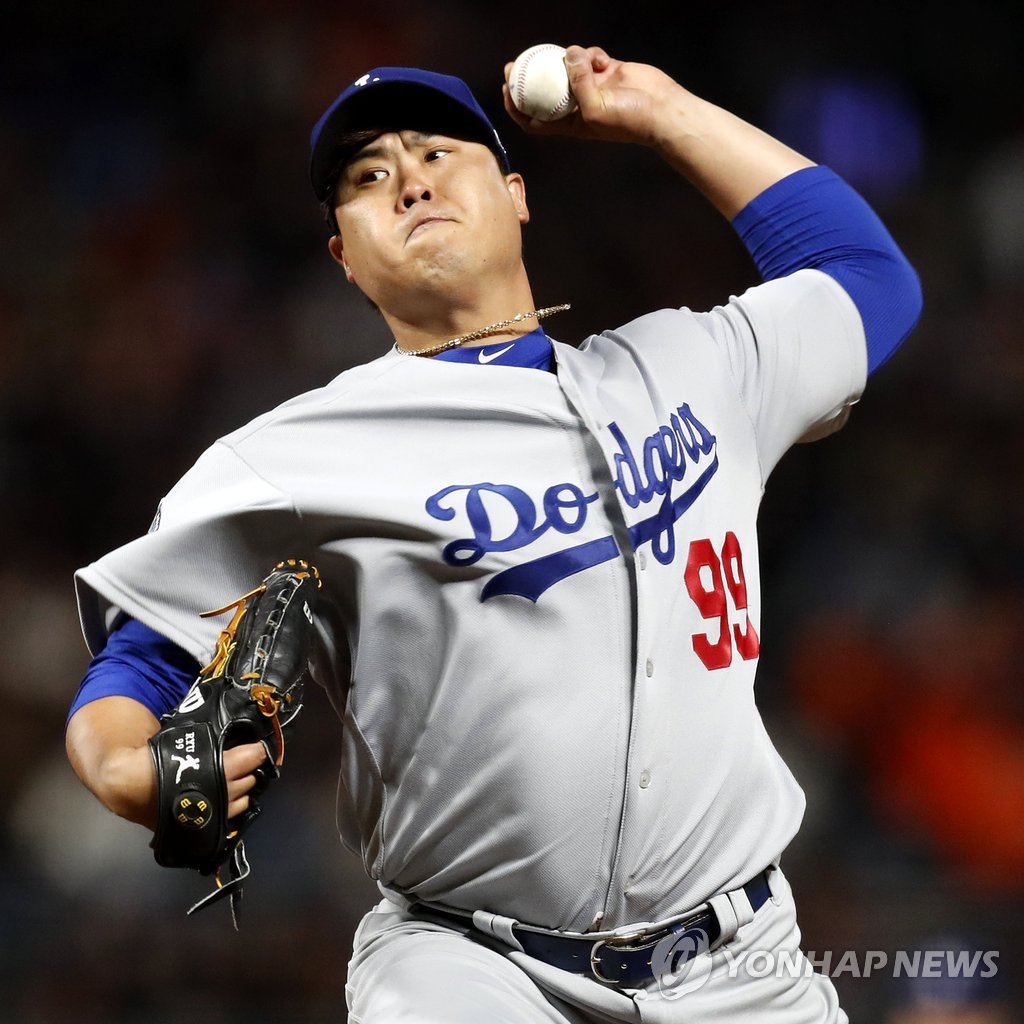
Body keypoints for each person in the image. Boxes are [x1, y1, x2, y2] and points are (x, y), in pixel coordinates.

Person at [65, 44, 922, 1022]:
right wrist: (126, 769)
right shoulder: (295, 455)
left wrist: (660, 109)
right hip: (472, 966)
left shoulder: (691, 366)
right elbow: (137, 665)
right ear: (345, 257)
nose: (409, 181)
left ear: (517, 196)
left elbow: (868, 276)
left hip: (743, 964)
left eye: (437, 152)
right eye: (367, 177)